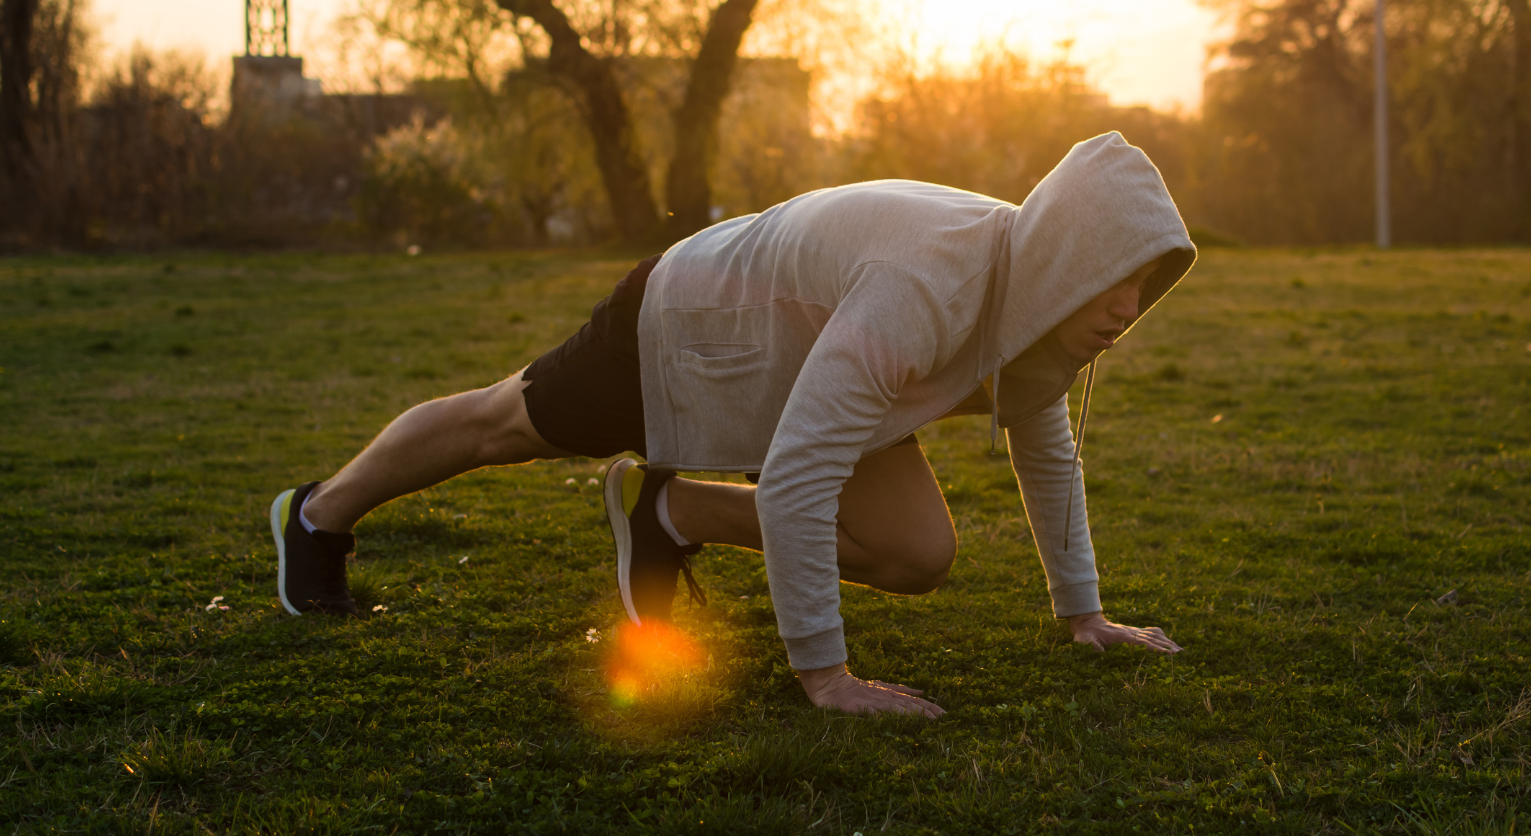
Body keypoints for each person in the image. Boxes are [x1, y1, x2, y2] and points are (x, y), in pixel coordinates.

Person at [269, 132, 1193, 718]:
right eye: (1110, 273)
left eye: (1143, 279)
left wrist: (1085, 614)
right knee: (504, 424)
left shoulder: (1046, 307)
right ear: (1063, 253)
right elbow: (798, 479)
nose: (1125, 305)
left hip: (816, 350)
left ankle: (669, 514)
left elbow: (1044, 440)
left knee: (917, 553)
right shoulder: (930, 286)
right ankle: (317, 514)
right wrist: (824, 679)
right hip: (689, 317)